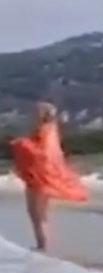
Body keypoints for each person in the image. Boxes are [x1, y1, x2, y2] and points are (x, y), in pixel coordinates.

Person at [9, 102, 88, 252]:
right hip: (40, 175)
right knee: (39, 214)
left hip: (39, 177)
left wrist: (21, 144)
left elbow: (43, 154)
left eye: (36, 112)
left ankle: (42, 245)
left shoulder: (45, 130)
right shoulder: (50, 130)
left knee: (36, 214)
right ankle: (42, 244)